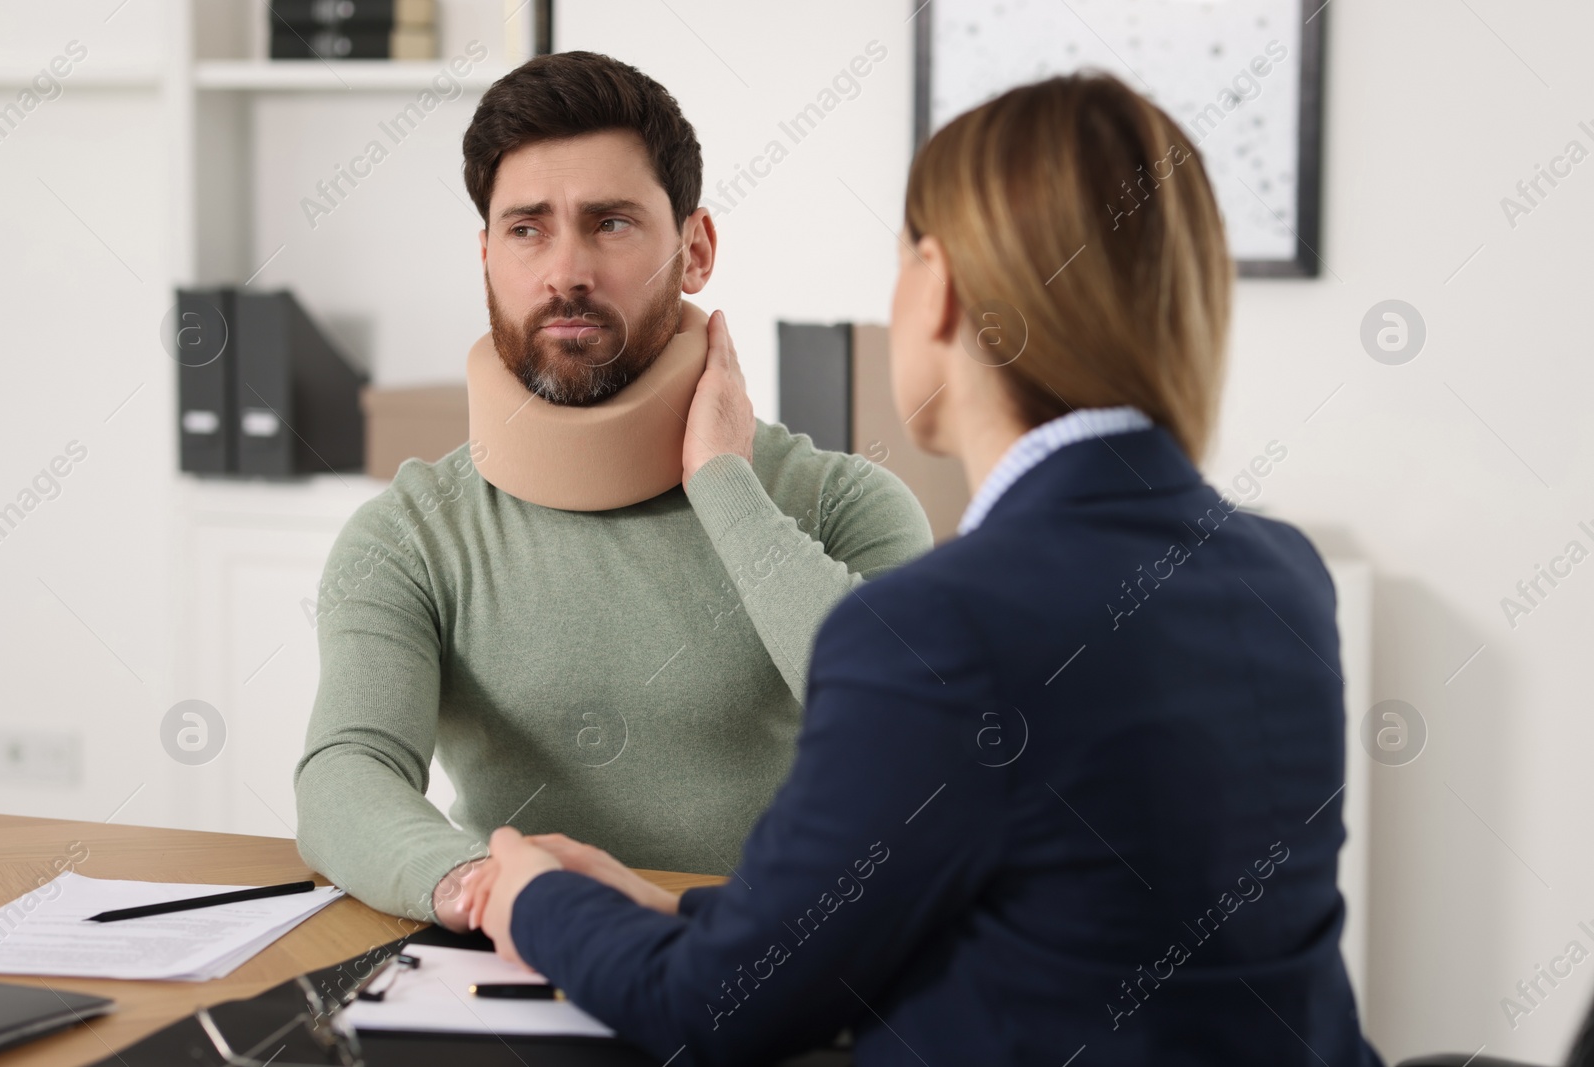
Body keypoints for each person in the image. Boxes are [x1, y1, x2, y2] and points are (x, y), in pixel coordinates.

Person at [455, 70, 1387, 1066]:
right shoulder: (1279, 572)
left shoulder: (945, 626)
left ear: (935, 284)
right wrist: (683, 903)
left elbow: (712, 1008)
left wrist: (530, 895)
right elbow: (1047, 903)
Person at [292, 51, 933, 930]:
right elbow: (346, 773)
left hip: (773, 978)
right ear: (486, 256)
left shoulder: (845, 505)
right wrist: (486, 891)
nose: (566, 272)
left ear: (695, 248)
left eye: (611, 223)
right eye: (527, 229)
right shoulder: (409, 536)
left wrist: (725, 486)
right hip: (524, 962)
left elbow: (910, 742)